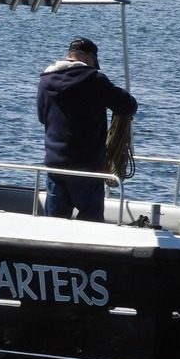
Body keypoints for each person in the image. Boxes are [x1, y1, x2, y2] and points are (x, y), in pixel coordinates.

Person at [36, 36, 137, 221]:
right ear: (90, 58)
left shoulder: (46, 80)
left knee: (54, 221)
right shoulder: (94, 79)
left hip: (55, 163)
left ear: (70, 55)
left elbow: (43, 118)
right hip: (87, 166)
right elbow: (128, 106)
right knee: (91, 220)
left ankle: (51, 249)